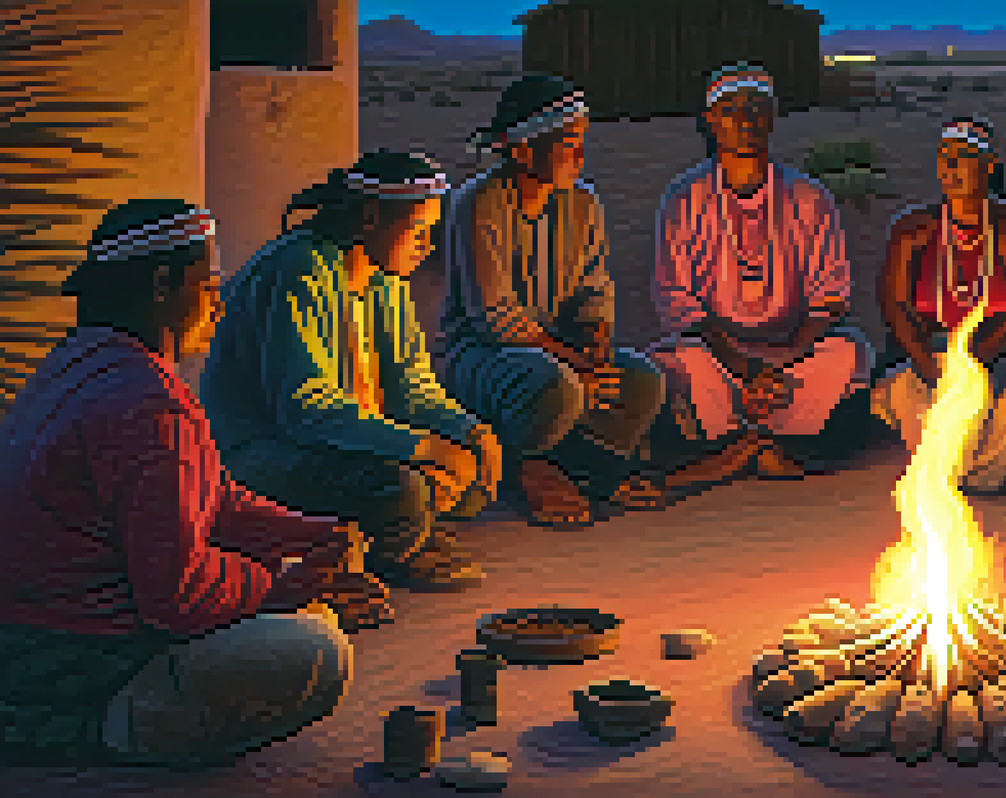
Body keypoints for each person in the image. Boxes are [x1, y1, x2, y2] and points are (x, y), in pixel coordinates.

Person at [0, 200, 382, 767]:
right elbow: (177, 596)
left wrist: (311, 534)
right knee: (314, 651)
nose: (218, 304)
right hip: (76, 659)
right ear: (163, 285)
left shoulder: (76, 364)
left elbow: (214, 501)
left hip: (28, 642)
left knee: (302, 613)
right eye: (208, 286)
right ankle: (98, 728)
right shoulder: (149, 405)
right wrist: (286, 585)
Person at [201, 151, 500, 591]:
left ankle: (394, 531)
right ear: (369, 217)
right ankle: (377, 552)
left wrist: (469, 432)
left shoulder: (385, 278)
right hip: (261, 452)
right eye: (419, 230)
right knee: (403, 489)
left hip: (340, 442)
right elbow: (307, 411)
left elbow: (410, 387)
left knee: (471, 469)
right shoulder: (300, 270)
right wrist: (420, 448)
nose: (428, 246)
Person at [440, 75, 666, 529]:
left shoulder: (584, 203)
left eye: (582, 143)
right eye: (567, 145)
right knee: (557, 386)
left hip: (561, 351)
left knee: (642, 380)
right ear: (523, 151)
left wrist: (596, 350)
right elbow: (495, 319)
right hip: (484, 355)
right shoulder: (478, 203)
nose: (580, 156)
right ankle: (525, 468)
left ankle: (590, 470)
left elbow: (594, 290)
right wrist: (577, 364)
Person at [649, 62, 874, 496]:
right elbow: (677, 301)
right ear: (710, 121)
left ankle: (755, 446)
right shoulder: (684, 198)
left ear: (772, 116)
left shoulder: (810, 197)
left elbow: (829, 298)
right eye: (730, 109)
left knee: (849, 353)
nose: (745, 119)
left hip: (792, 354)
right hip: (716, 355)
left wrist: (780, 361)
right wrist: (744, 367)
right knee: (676, 364)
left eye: (756, 107)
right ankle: (752, 447)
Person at [872, 116, 1006, 492]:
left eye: (964, 157)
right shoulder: (912, 229)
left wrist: (972, 365)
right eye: (944, 157)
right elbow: (895, 306)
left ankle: (956, 476)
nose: (951, 167)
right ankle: (964, 472)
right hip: (930, 360)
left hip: (1003, 357)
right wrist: (927, 363)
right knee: (907, 397)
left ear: (990, 165)